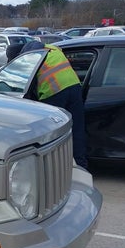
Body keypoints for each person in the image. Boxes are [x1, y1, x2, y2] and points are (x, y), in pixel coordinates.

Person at [24, 40, 88, 169]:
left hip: (54, 93)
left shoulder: (32, 57)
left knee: (52, 134)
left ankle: (53, 168)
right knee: (77, 129)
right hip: (74, 87)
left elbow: (25, 82)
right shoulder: (54, 49)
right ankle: (81, 166)